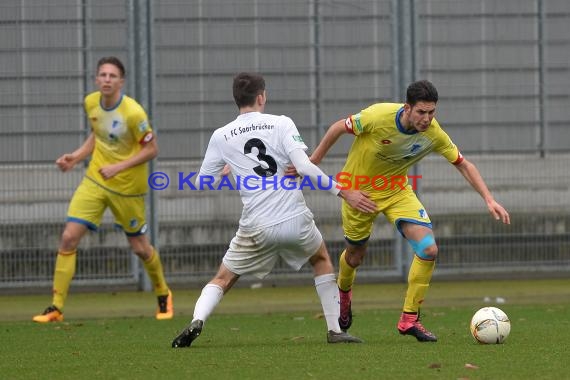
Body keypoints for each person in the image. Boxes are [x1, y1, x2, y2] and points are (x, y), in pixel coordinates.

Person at [287, 80, 510, 342]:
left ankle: (409, 318)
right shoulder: (377, 116)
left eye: (431, 112)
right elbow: (338, 127)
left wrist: (489, 199)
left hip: (397, 192)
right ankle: (344, 294)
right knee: (356, 256)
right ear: (407, 108)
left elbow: (463, 164)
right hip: (358, 192)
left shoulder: (433, 133)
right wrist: (312, 161)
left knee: (428, 249)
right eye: (421, 112)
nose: (426, 119)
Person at [171, 72, 378, 348]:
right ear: (261, 97)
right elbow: (303, 167)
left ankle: (198, 319)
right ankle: (335, 331)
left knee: (223, 277)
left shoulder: (221, 136)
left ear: (236, 100)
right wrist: (344, 192)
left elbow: (201, 183)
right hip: (294, 218)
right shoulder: (281, 123)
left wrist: (222, 173)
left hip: (256, 225)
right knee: (321, 259)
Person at [33, 56, 173, 322]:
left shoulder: (133, 113)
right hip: (95, 180)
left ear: (121, 81)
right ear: (97, 79)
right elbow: (97, 136)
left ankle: (163, 293)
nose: (107, 80)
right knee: (68, 238)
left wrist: (118, 168)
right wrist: (75, 157)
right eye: (103, 75)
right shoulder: (91, 102)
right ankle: (56, 307)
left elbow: (152, 149)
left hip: (127, 188)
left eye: (112, 76)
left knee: (141, 249)